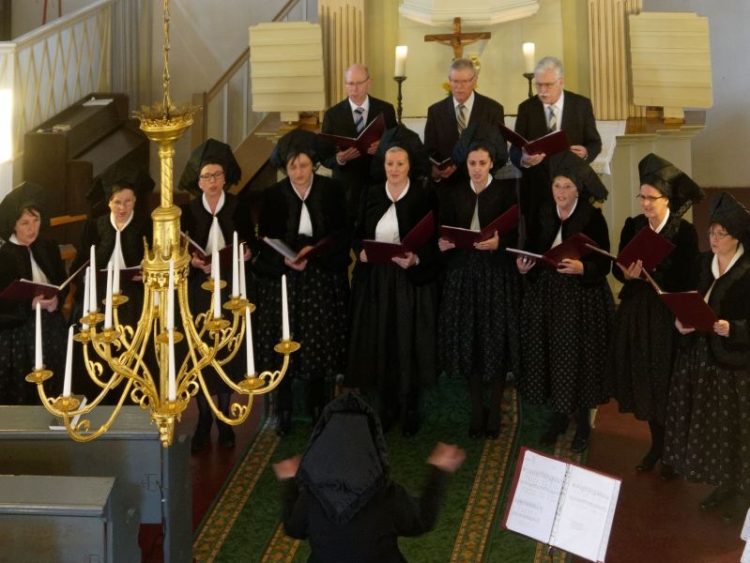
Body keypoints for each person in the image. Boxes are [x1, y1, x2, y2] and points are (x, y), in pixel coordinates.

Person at [272, 392, 466, 563]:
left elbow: (293, 528)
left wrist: (290, 482)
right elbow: (422, 519)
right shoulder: (386, 496)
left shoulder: (312, 496)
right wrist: (440, 470)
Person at [609, 154, 702, 478]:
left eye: (652, 198)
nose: (646, 204)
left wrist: (657, 271)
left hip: (667, 318)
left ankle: (672, 452)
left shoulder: (684, 233)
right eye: (642, 197)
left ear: (667, 199)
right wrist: (629, 274)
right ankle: (657, 445)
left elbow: (691, 279)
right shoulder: (633, 226)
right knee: (646, 382)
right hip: (639, 314)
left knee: (667, 385)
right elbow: (617, 270)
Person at [254, 129, 350, 436]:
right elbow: (265, 241)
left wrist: (316, 252)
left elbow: (342, 233)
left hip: (320, 280)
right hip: (285, 283)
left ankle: (319, 406)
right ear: (286, 168)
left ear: (314, 166)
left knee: (318, 343)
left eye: (304, 166)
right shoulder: (272, 195)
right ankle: (283, 409)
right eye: (294, 167)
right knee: (285, 342)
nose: (299, 173)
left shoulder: (332, 190)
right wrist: (284, 257)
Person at [516, 152, 613, 453]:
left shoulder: (591, 218)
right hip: (547, 297)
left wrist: (584, 268)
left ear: (578, 190)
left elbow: (605, 263)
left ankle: (583, 424)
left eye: (567, 187)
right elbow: (532, 249)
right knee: (550, 355)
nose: (560, 193)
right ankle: (558, 417)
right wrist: (524, 267)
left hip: (582, 300)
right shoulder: (544, 211)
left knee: (579, 360)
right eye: (557, 186)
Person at [663, 192, 750, 523]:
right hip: (702, 360)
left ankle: (743, 495)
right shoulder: (704, 263)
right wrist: (682, 321)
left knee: (737, 434)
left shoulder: (748, 271)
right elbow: (693, 301)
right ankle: (724, 486)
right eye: (711, 232)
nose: (713, 239)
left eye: (720, 234)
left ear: (736, 236)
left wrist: (734, 329)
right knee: (715, 431)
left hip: (734, 367)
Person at [345, 144, 439, 437]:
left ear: (409, 166)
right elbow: (357, 231)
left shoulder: (423, 195)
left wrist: (416, 257)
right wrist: (360, 250)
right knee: (381, 342)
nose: (394, 169)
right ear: (383, 166)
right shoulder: (371, 194)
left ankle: (410, 408)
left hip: (408, 283)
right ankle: (386, 408)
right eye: (389, 164)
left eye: (400, 164)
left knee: (407, 343)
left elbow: (433, 237)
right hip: (376, 282)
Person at [437, 142, 520, 439]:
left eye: (482, 163)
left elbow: (516, 231)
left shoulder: (506, 192)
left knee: (494, 340)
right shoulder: (454, 192)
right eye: (472, 163)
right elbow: (443, 230)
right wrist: (443, 243)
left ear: (491, 165)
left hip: (495, 275)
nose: (476, 168)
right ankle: (476, 410)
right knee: (470, 340)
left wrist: (501, 243)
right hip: (463, 276)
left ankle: (495, 411)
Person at [180, 139, 253, 452]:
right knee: (201, 353)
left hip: (231, 290)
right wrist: (192, 260)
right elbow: (180, 250)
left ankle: (224, 418)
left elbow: (251, 244)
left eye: (216, 175)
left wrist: (246, 255)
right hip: (199, 292)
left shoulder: (239, 206)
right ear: (198, 182)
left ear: (226, 178)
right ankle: (205, 418)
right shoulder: (188, 210)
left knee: (228, 352)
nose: (211, 181)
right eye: (206, 176)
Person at [510, 56, 602, 236]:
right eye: (539, 85)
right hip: (537, 187)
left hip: (572, 185)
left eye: (548, 85)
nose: (542, 90)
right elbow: (514, 149)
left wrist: (585, 152)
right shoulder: (526, 108)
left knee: (572, 236)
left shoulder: (580, 105)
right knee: (537, 236)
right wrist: (524, 159)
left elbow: (594, 142)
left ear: (561, 82)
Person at [0, 182, 67, 404]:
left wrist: (57, 299)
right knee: (26, 390)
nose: (32, 229)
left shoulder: (48, 246)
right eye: (25, 223)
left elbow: (61, 282)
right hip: (19, 336)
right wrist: (30, 305)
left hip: (52, 329)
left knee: (56, 384)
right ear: (13, 225)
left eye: (36, 220)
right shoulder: (4, 256)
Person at [73, 170, 154, 330]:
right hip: (99, 291)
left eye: (128, 201)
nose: (122, 208)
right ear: (109, 203)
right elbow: (79, 266)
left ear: (135, 200)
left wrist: (147, 274)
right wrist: (87, 277)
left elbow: (155, 261)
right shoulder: (94, 226)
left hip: (134, 292)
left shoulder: (146, 225)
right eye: (117, 202)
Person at [320, 63, 397, 226]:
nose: (354, 89)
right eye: (350, 84)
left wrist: (383, 147)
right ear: (345, 85)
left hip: (379, 182)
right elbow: (324, 156)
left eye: (359, 83)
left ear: (369, 83)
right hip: (347, 186)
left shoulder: (386, 109)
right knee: (348, 233)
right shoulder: (332, 115)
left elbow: (398, 144)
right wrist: (339, 158)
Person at [424, 58, 506, 185]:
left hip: (483, 185)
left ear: (474, 81)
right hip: (447, 186)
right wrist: (436, 171)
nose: (459, 87)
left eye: (465, 82)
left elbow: (501, 153)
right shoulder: (436, 111)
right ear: (449, 81)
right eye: (455, 81)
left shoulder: (493, 110)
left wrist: (481, 172)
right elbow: (429, 151)